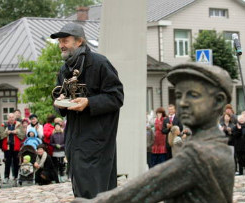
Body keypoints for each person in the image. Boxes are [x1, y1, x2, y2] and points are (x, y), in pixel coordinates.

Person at [73, 63, 234, 203]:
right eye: (178, 95)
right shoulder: (219, 146)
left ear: (219, 101)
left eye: (193, 95)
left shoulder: (198, 155)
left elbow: (141, 190)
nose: (182, 103)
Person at [51, 23, 124, 199]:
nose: (61, 44)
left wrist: (89, 103)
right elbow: (59, 96)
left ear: (79, 41)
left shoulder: (100, 63)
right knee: (81, 189)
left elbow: (116, 96)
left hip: (98, 140)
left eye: (65, 40)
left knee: (97, 189)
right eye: (60, 41)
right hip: (74, 140)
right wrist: (59, 103)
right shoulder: (64, 69)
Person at [0, 113, 25, 185]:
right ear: (7, 118)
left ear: (15, 117)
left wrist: (16, 132)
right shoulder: (4, 125)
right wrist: (6, 133)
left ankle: (16, 177)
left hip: (16, 146)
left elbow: (23, 136)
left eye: (12, 117)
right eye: (10, 117)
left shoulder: (19, 125)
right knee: (7, 162)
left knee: (16, 162)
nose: (11, 118)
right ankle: (6, 177)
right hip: (7, 146)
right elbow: (1, 135)